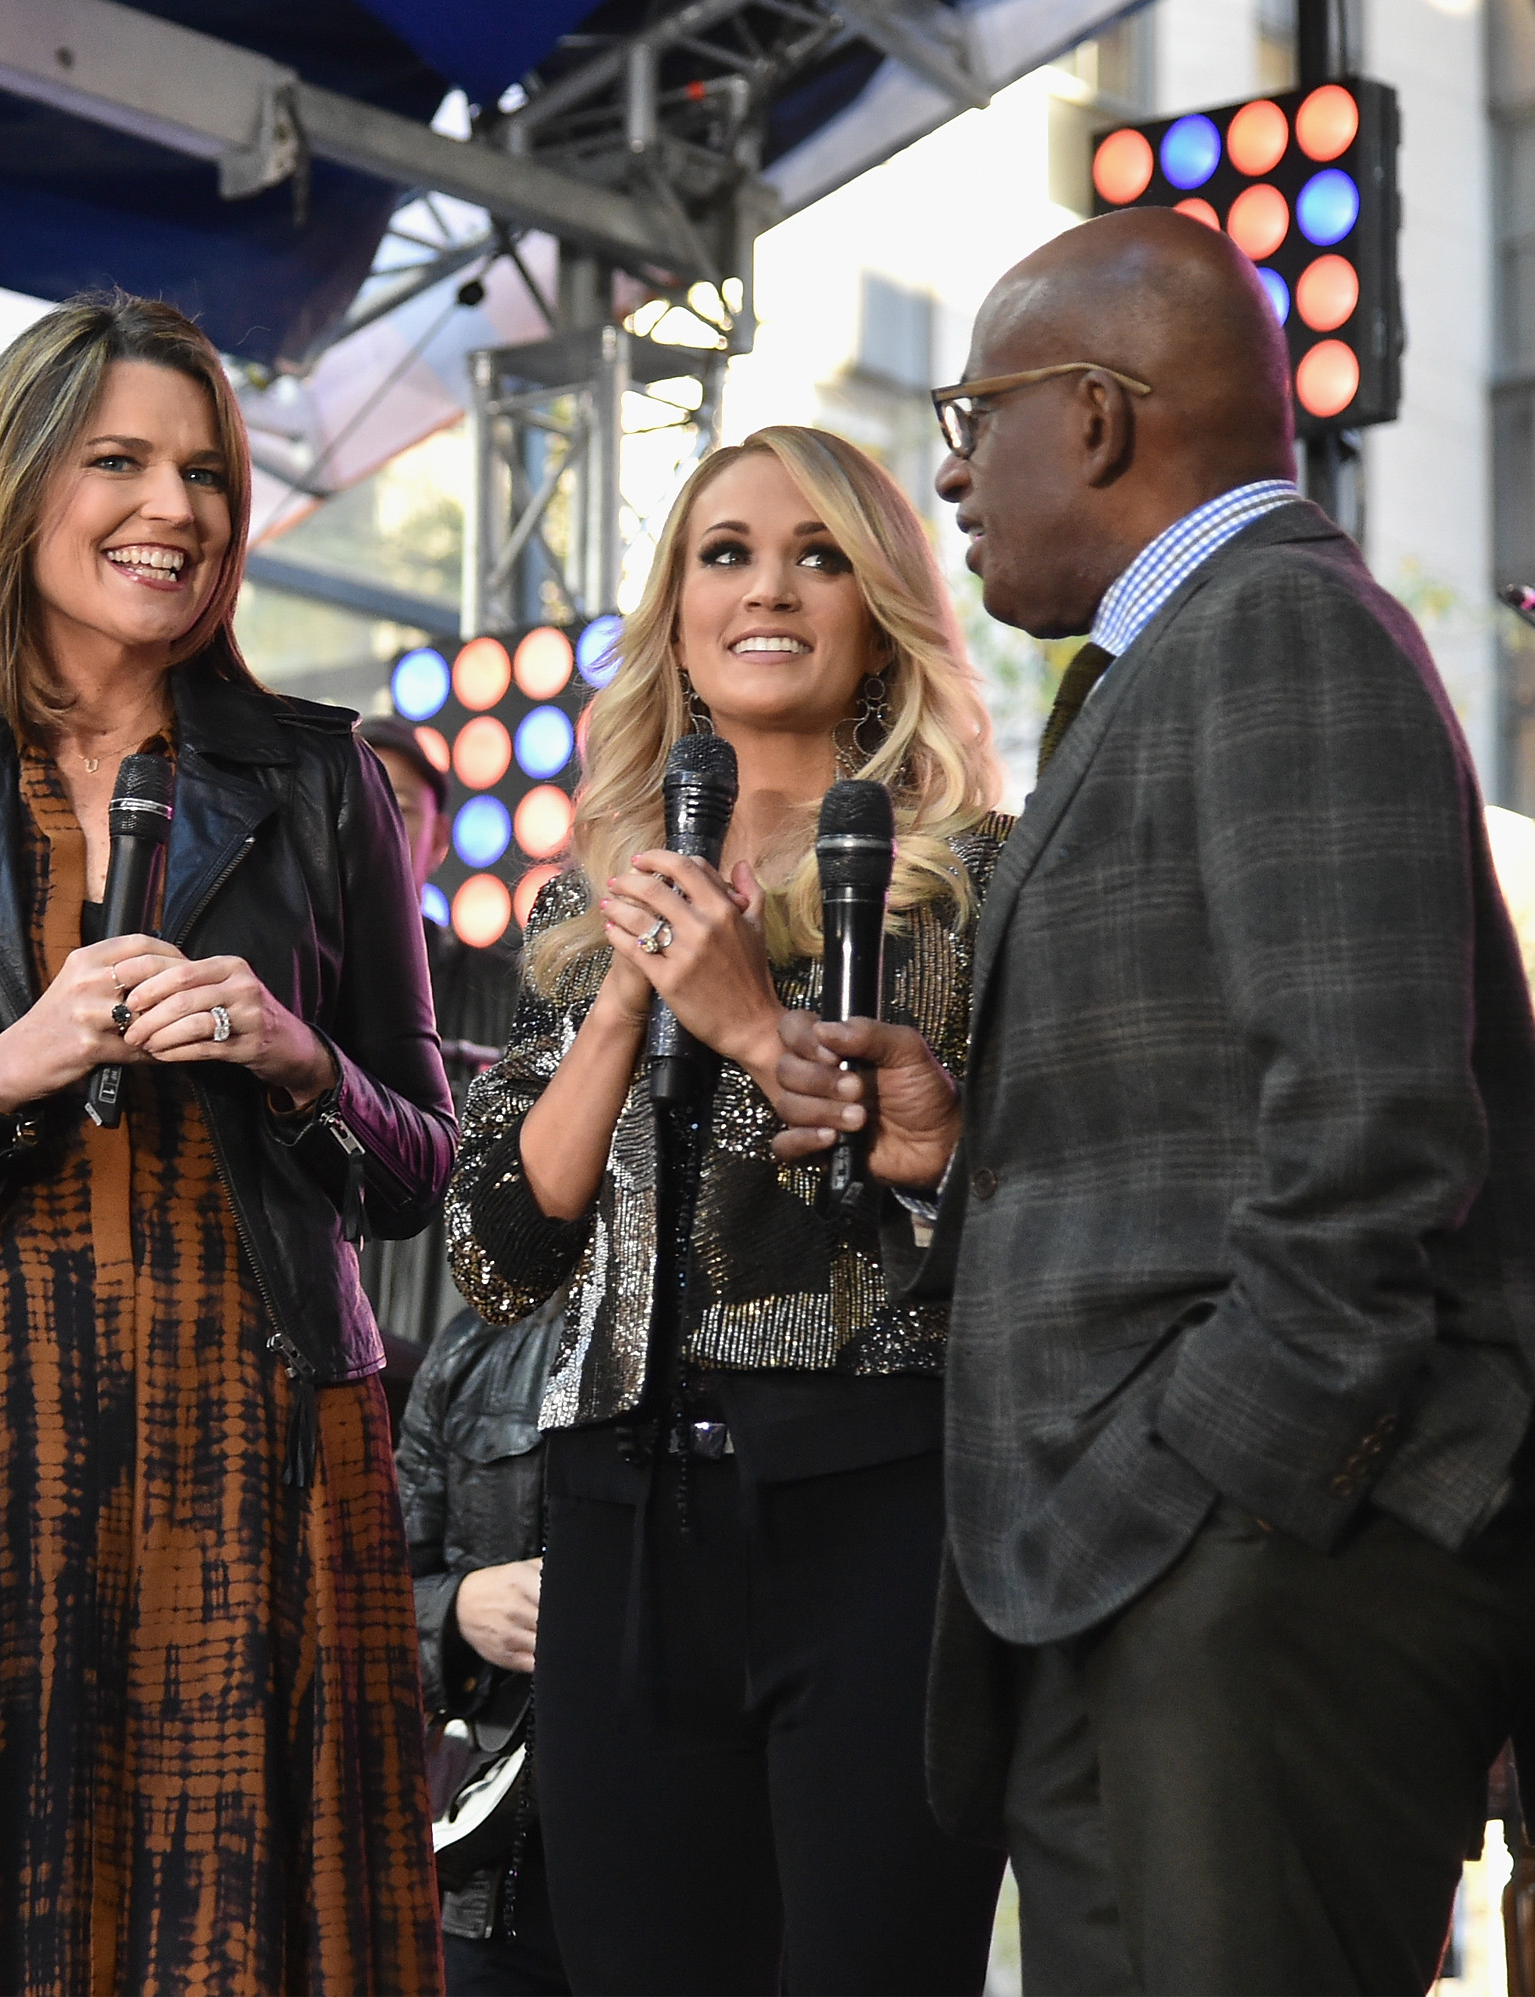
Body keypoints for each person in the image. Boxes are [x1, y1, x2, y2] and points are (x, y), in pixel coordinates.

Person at [765, 207, 1535, 1992]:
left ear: (1098, 417)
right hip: (1143, 1567)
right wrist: (957, 1143)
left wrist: (1228, 1500)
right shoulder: (1187, 655)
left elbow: (1377, 1143)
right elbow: (1215, 1129)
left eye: (976, 418)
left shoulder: (1275, 631)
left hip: (1251, 1571)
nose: (951, 477)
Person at [0, 292, 455, 1996]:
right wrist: (1, 1067)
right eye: (120, 460)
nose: (179, 508)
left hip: (260, 1428)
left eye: (205, 470)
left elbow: (424, 1160)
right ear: (16, 487)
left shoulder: (316, 779)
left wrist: (298, 1061)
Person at [446, 425, 1012, 1994]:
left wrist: (760, 1024)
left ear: (882, 607)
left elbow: (1025, 1210)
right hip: (620, 1525)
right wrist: (635, 995)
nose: (771, 587)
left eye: (820, 552)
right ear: (679, 617)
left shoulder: (976, 881)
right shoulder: (586, 903)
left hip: (884, 1507)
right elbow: (496, 1255)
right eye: (728, 553)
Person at [396, 1295, 570, 1997]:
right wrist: (458, 1607)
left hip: (688, 1853)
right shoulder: (474, 1348)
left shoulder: (746, 1343)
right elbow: (363, 1601)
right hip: (495, 1867)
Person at [356, 712, 522, 1416]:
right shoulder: (262, 987)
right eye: (343, 800)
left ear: (439, 837)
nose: (366, 824)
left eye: (392, 806)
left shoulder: (511, 994)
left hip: (463, 1399)